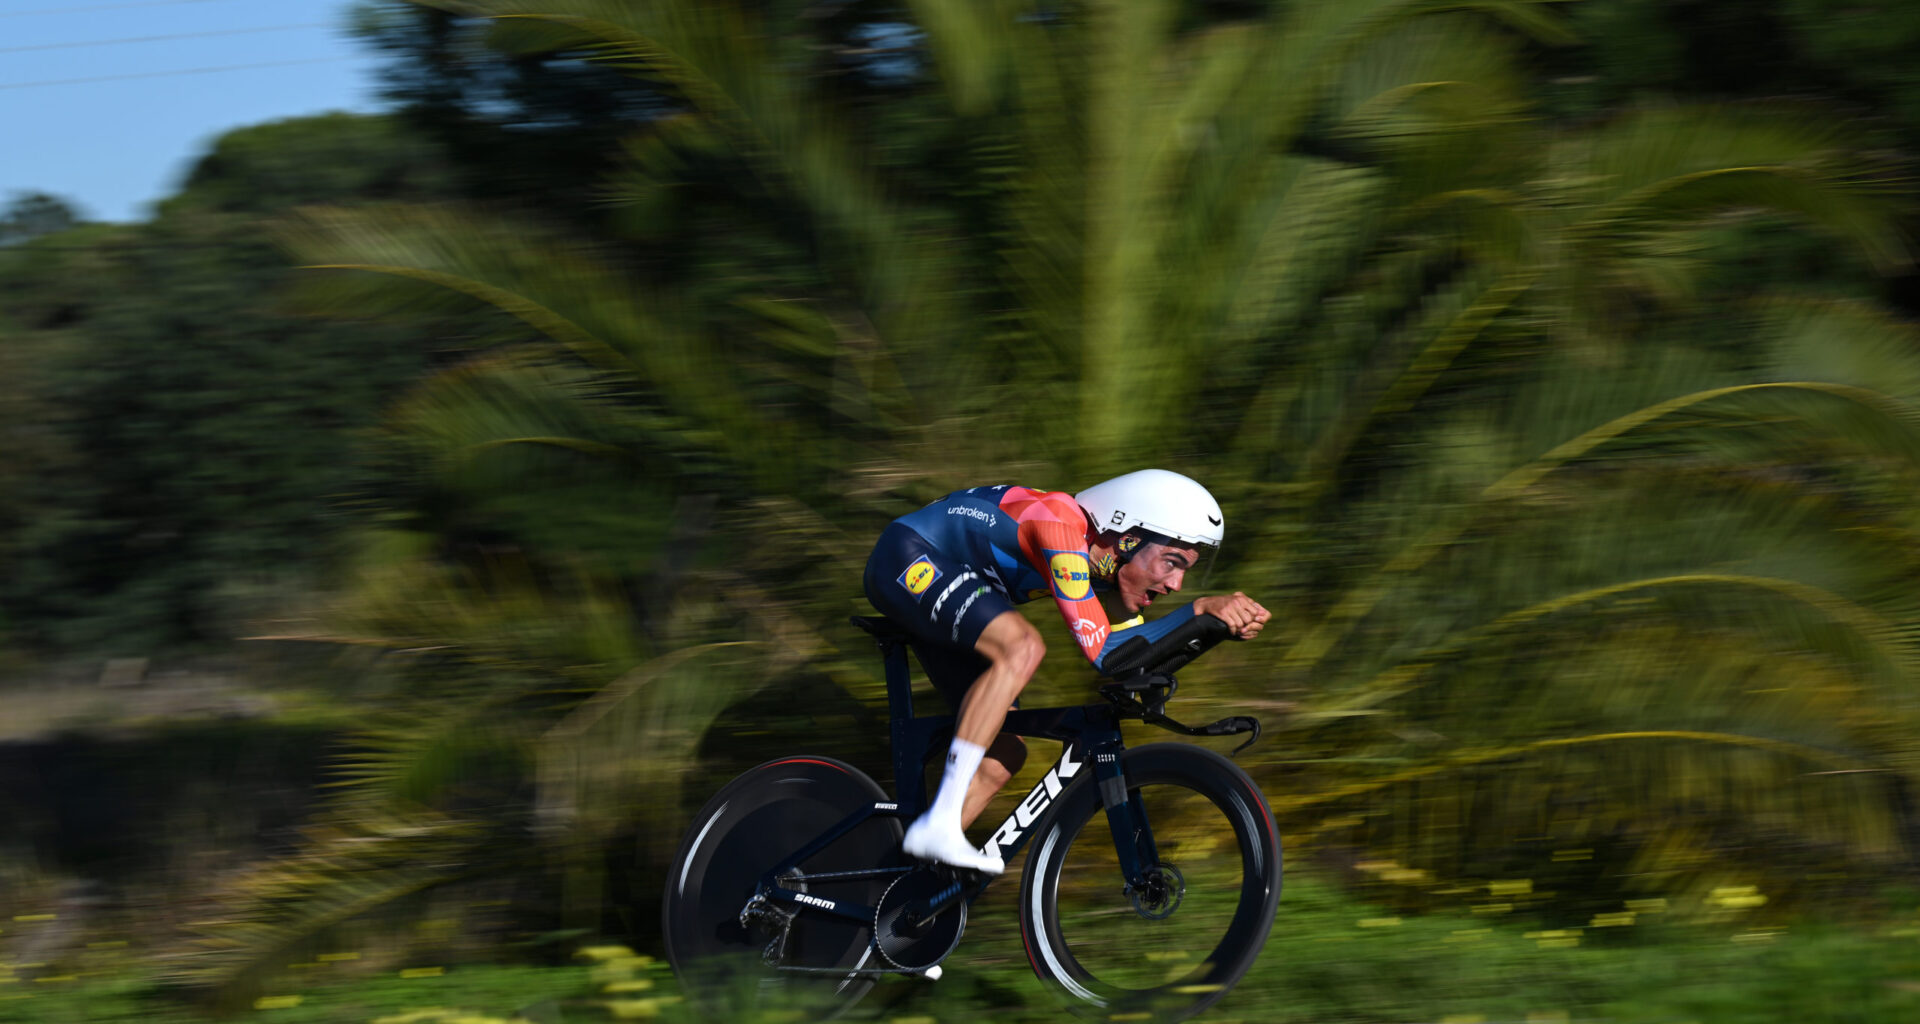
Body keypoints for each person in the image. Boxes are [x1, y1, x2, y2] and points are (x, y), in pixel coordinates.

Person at [861, 469, 1270, 874]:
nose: (1177, 584)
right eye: (1171, 563)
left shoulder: (1104, 569)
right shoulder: (1058, 524)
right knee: (1022, 647)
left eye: (1186, 572)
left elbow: (1130, 660)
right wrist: (1198, 611)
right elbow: (1104, 655)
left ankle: (896, 881)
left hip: (962, 588)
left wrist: (1215, 630)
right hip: (907, 555)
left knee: (1004, 751)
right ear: (1127, 538)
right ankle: (939, 825)